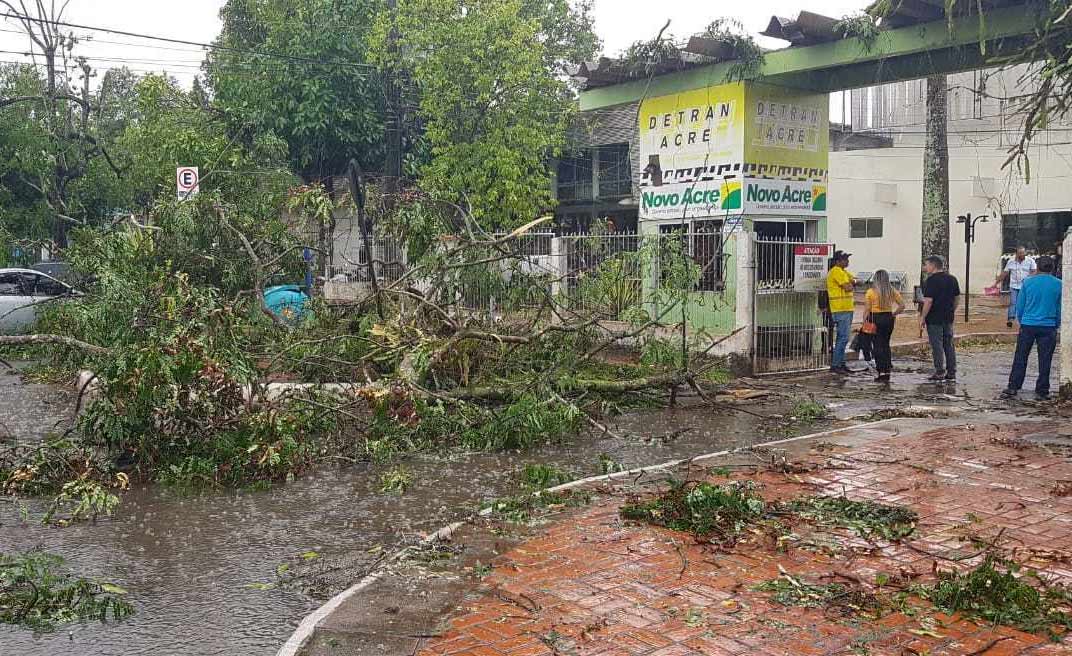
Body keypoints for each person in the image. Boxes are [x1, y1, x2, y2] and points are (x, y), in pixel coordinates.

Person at [1000, 256, 1062, 401]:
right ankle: (1042, 389)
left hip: (1028, 324)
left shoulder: (1027, 283)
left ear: (1037, 267)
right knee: (1045, 358)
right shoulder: (1059, 284)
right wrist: (1056, 323)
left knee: (1021, 356)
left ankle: (1013, 386)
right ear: (1052, 268)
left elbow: (1020, 306)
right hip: (1048, 325)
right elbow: (1060, 307)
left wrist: (1022, 321)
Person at [919, 256, 960, 382]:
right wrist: (952, 309)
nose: (925, 268)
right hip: (948, 316)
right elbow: (957, 297)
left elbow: (928, 301)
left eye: (926, 265)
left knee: (937, 345)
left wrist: (922, 317)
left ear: (933, 265)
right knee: (949, 344)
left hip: (934, 317)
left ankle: (939, 371)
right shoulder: (952, 279)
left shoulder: (931, 281)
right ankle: (951, 371)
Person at [865, 269, 905, 382]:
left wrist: (864, 322)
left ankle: (880, 369)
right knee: (886, 343)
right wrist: (893, 314)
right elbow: (902, 305)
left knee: (877, 344)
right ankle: (887, 368)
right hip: (888, 318)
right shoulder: (892, 291)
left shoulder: (870, 292)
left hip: (874, 318)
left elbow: (867, 310)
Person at [826, 250, 856, 374]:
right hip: (840, 309)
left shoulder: (843, 272)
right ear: (838, 261)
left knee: (843, 338)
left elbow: (854, 280)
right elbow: (848, 287)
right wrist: (853, 283)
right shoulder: (836, 271)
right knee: (843, 338)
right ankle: (836, 365)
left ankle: (841, 363)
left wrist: (853, 282)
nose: (847, 261)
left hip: (846, 308)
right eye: (845, 259)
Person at [994, 247, 1037, 327]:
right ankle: (1010, 319)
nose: (1022, 255)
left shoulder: (1030, 261)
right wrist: (996, 283)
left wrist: (1029, 278)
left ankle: (1024, 319)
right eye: (1020, 253)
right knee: (1013, 302)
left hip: (1025, 286)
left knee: (1024, 303)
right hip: (1014, 286)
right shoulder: (1011, 261)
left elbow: (1034, 271)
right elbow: (1005, 273)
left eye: (1023, 253)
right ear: (1016, 254)